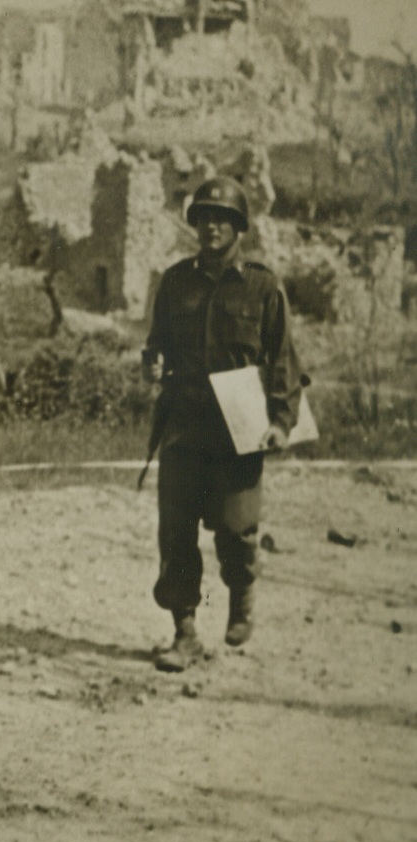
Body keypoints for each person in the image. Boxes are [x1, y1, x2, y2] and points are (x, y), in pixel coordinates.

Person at [141, 175, 302, 672]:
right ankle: (184, 632)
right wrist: (151, 363)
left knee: (235, 531)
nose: (211, 227)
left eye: (222, 219)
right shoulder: (174, 282)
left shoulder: (261, 286)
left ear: (238, 228)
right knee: (176, 534)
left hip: (240, 424)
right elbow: (157, 343)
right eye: (203, 218)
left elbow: (283, 362)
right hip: (184, 425)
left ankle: (241, 599)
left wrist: (280, 422)